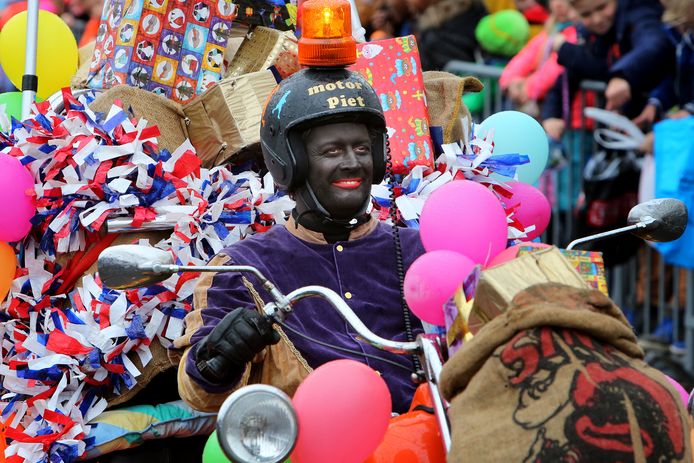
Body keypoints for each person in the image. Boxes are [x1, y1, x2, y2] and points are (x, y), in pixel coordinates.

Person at [172, 66, 426, 414]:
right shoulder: (243, 269)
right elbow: (199, 395)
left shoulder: (421, 250)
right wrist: (219, 356)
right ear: (291, 164)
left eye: (362, 149)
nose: (352, 163)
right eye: (333, 151)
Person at [541, 0, 675, 140]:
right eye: (586, 14)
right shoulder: (593, 33)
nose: (597, 19)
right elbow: (581, 70)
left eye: (602, 7)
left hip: (661, 123)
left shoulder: (639, 9)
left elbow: (653, 43)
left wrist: (622, 75)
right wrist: (552, 114)